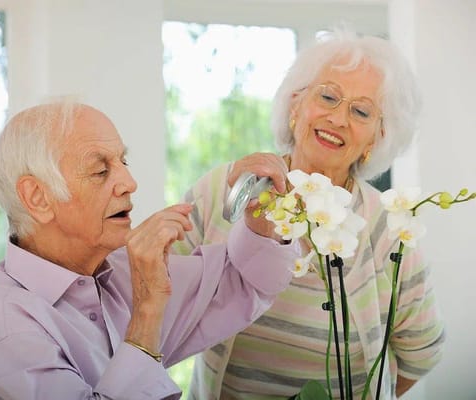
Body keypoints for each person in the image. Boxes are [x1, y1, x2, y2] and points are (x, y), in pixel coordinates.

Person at [0, 100, 299, 400]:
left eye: (123, 162)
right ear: (37, 198)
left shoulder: (119, 269)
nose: (129, 183)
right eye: (101, 170)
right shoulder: (6, 329)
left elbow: (244, 282)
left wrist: (261, 219)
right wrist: (148, 310)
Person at [174, 30, 444, 399]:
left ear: (376, 139)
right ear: (295, 105)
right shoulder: (228, 187)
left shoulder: (389, 229)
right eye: (329, 96)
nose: (339, 118)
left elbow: (419, 352)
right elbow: (157, 290)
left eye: (361, 110)